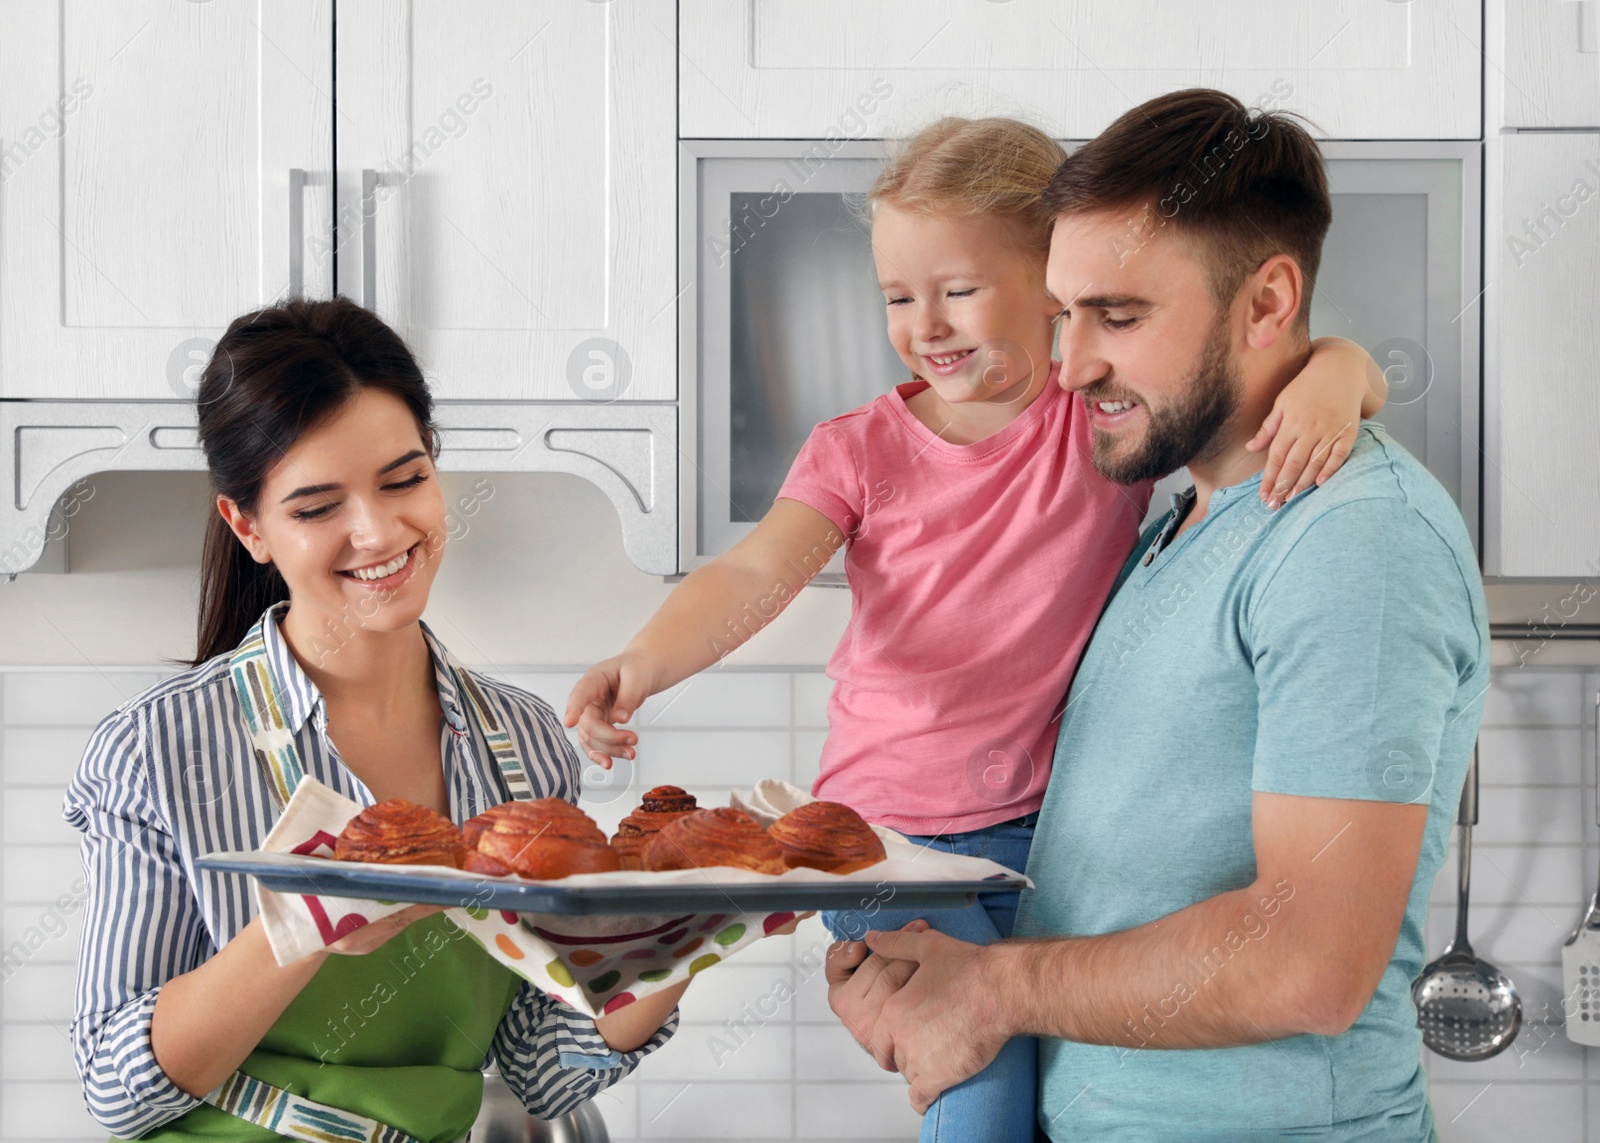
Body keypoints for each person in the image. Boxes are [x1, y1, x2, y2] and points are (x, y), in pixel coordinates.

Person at [566, 116, 1386, 1142]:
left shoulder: (1092, 419)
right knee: (984, 1098)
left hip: (1041, 840)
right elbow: (756, 569)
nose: (926, 324)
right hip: (888, 840)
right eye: (897, 297)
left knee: (1055, 1081)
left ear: (1053, 287)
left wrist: (1340, 367)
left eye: (957, 289)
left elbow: (1244, 373)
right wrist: (646, 661)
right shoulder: (858, 449)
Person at [826, 89, 1489, 1143]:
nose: (1074, 363)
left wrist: (990, 991)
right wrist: (927, 979)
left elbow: (1308, 963)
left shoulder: (1353, 541)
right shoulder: (1180, 521)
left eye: (1119, 316)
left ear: (1267, 304)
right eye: (1063, 313)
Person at [62, 297, 693, 1141]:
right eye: (318, 507)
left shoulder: (526, 749)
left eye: (405, 480)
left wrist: (692, 931)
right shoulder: (158, 750)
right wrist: (302, 923)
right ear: (246, 524)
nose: (379, 530)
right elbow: (115, 1086)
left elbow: (542, 1067)